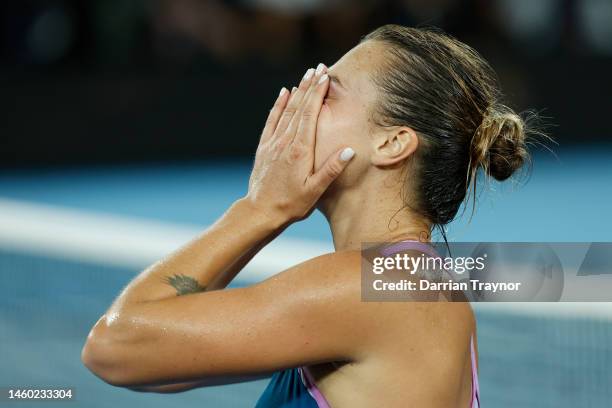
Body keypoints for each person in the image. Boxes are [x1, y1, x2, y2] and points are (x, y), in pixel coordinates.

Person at [81, 24, 534, 407]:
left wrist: (260, 208)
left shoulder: (363, 288)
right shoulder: (422, 286)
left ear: (392, 143)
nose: (302, 99)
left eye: (328, 91)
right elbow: (166, 367)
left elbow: (114, 347)